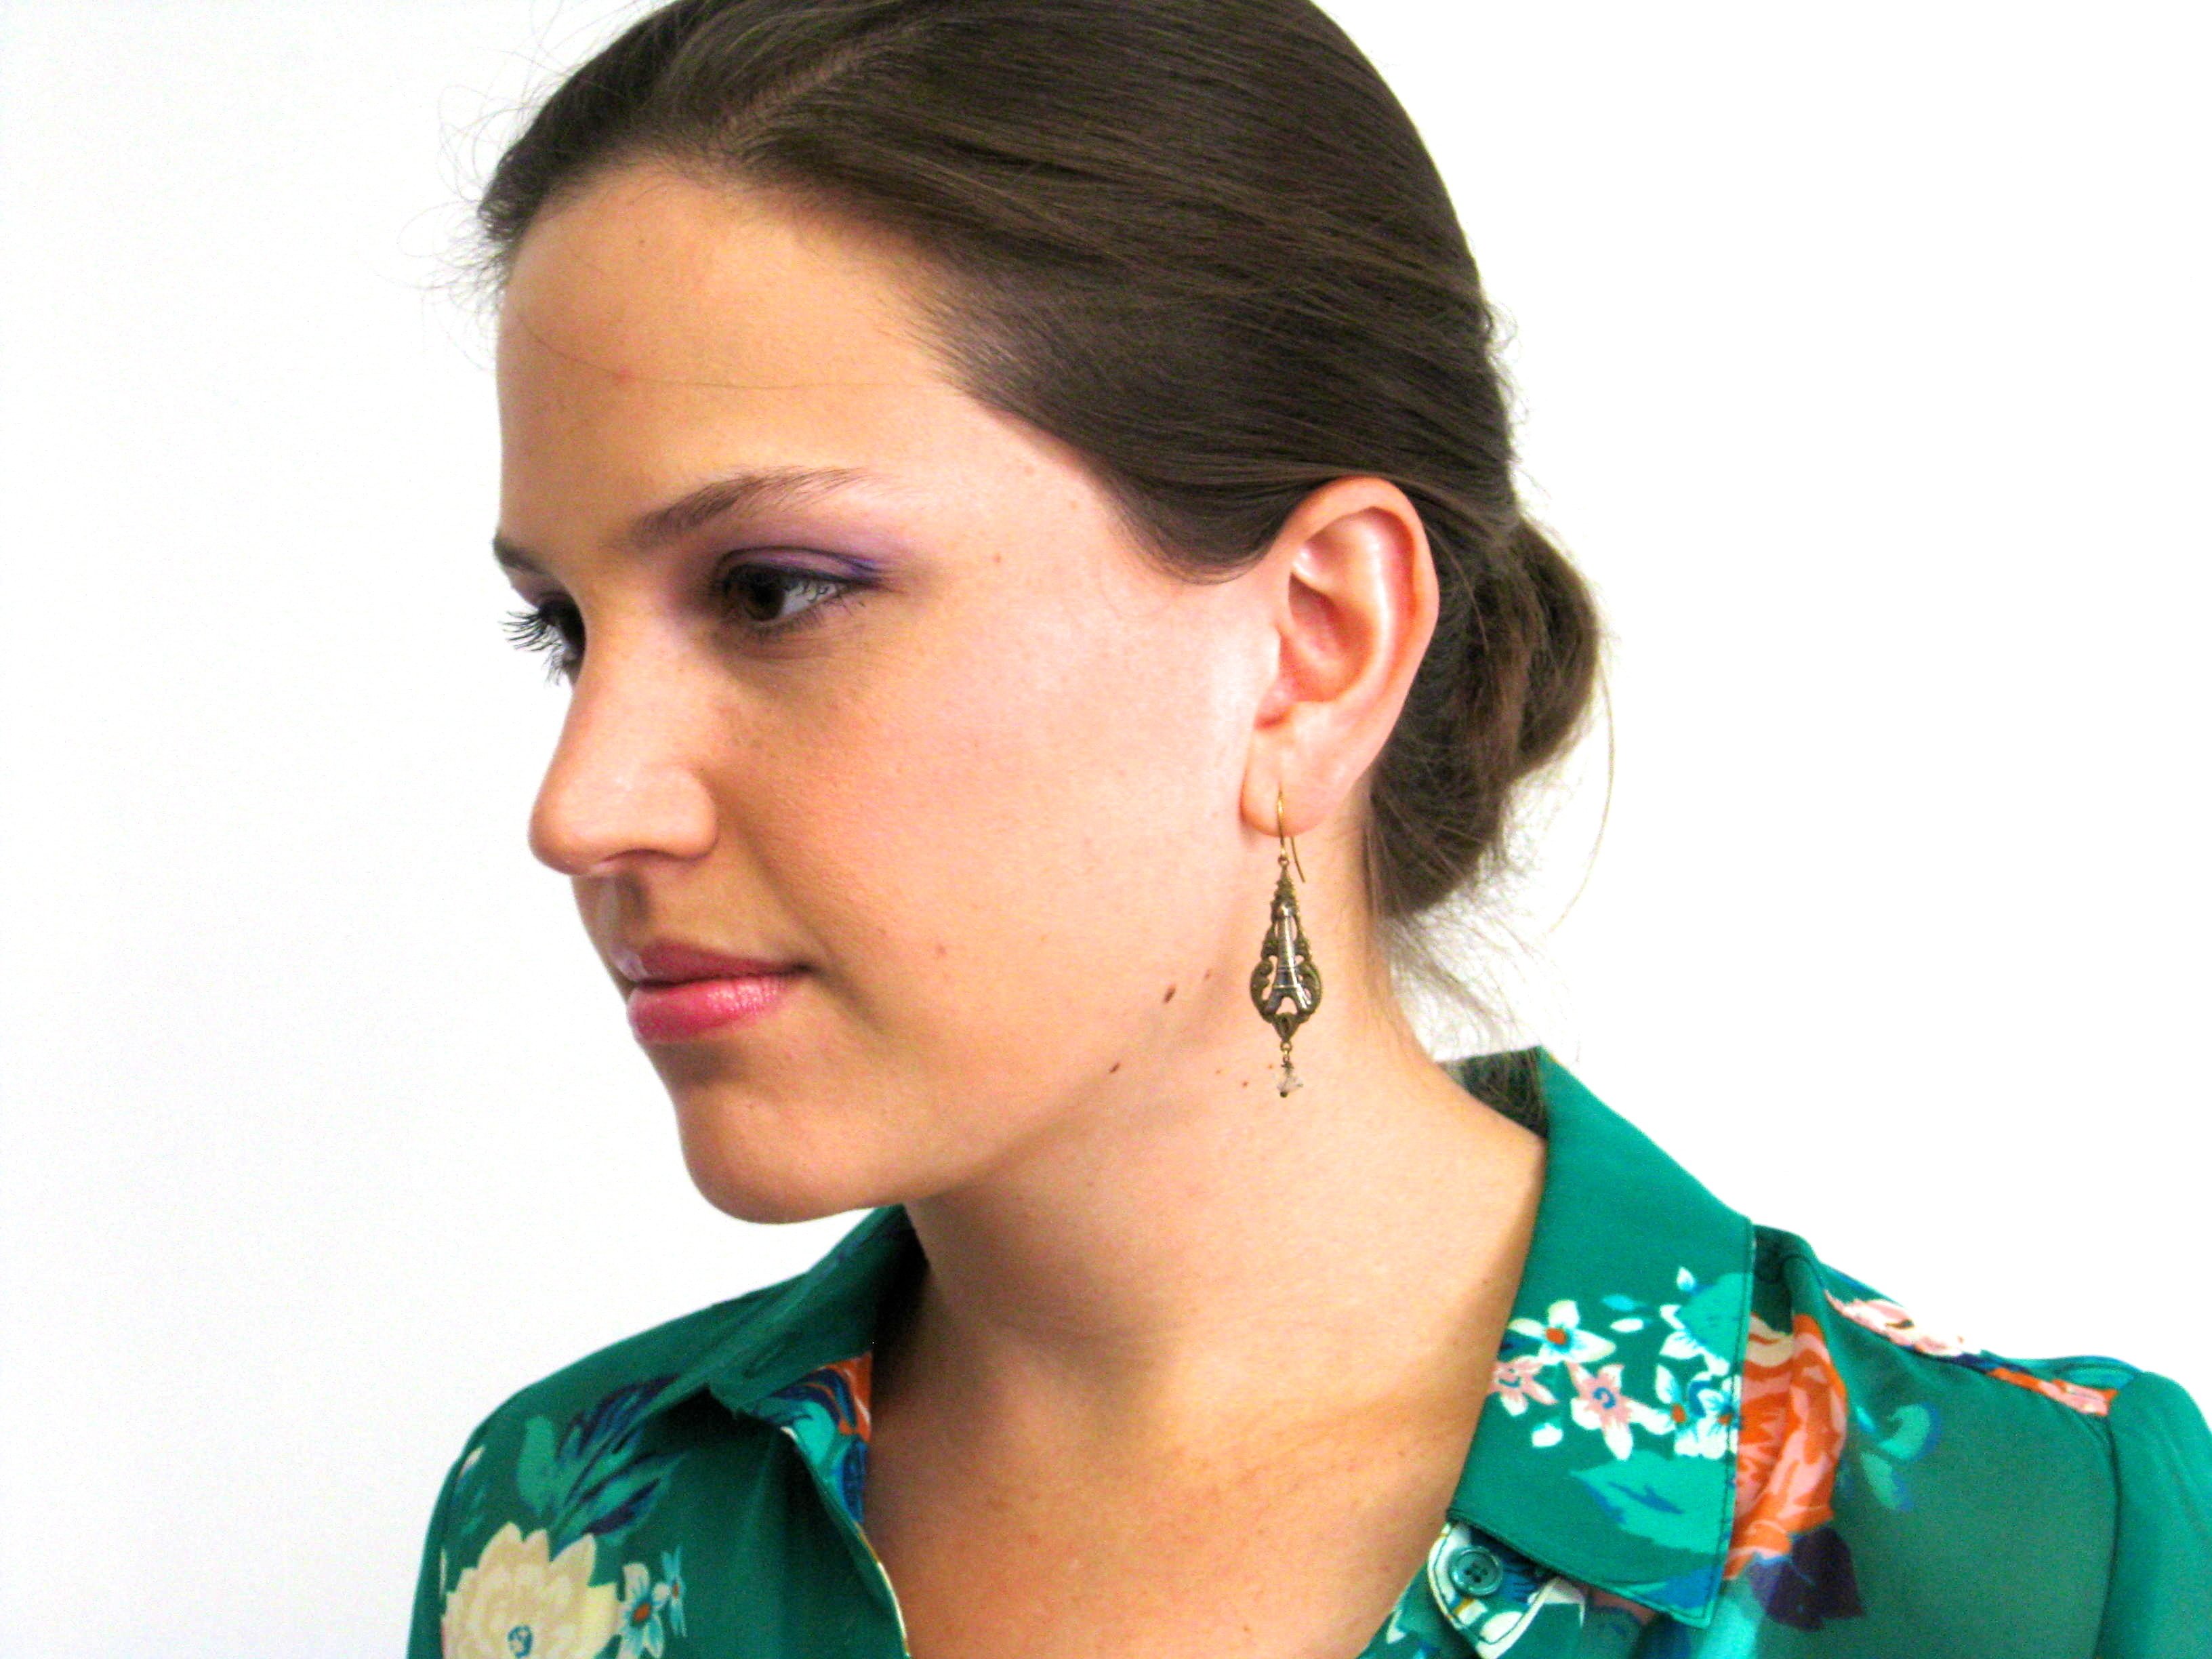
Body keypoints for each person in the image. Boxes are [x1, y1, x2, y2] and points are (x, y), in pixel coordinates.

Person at [407, 2, 2212, 1654]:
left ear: (1312, 645)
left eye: (775, 591)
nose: (582, 805)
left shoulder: (2034, 1562)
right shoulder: (566, 1534)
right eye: (565, 630)